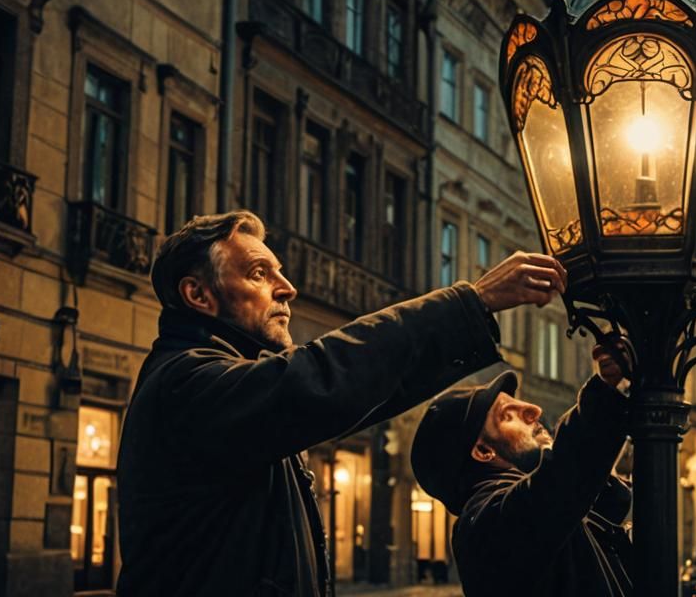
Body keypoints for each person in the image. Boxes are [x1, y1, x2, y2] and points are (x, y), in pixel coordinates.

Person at [116, 210, 566, 596]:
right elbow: (325, 377)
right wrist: (474, 300)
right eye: (258, 273)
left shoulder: (233, 389)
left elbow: (368, 390)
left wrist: (469, 317)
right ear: (198, 294)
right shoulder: (186, 384)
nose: (286, 286)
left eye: (279, 271)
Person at [410, 342, 633, 596]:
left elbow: (582, 489)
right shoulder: (485, 524)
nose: (533, 410)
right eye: (507, 415)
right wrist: (607, 384)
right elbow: (559, 481)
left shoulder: (530, 515)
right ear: (483, 452)